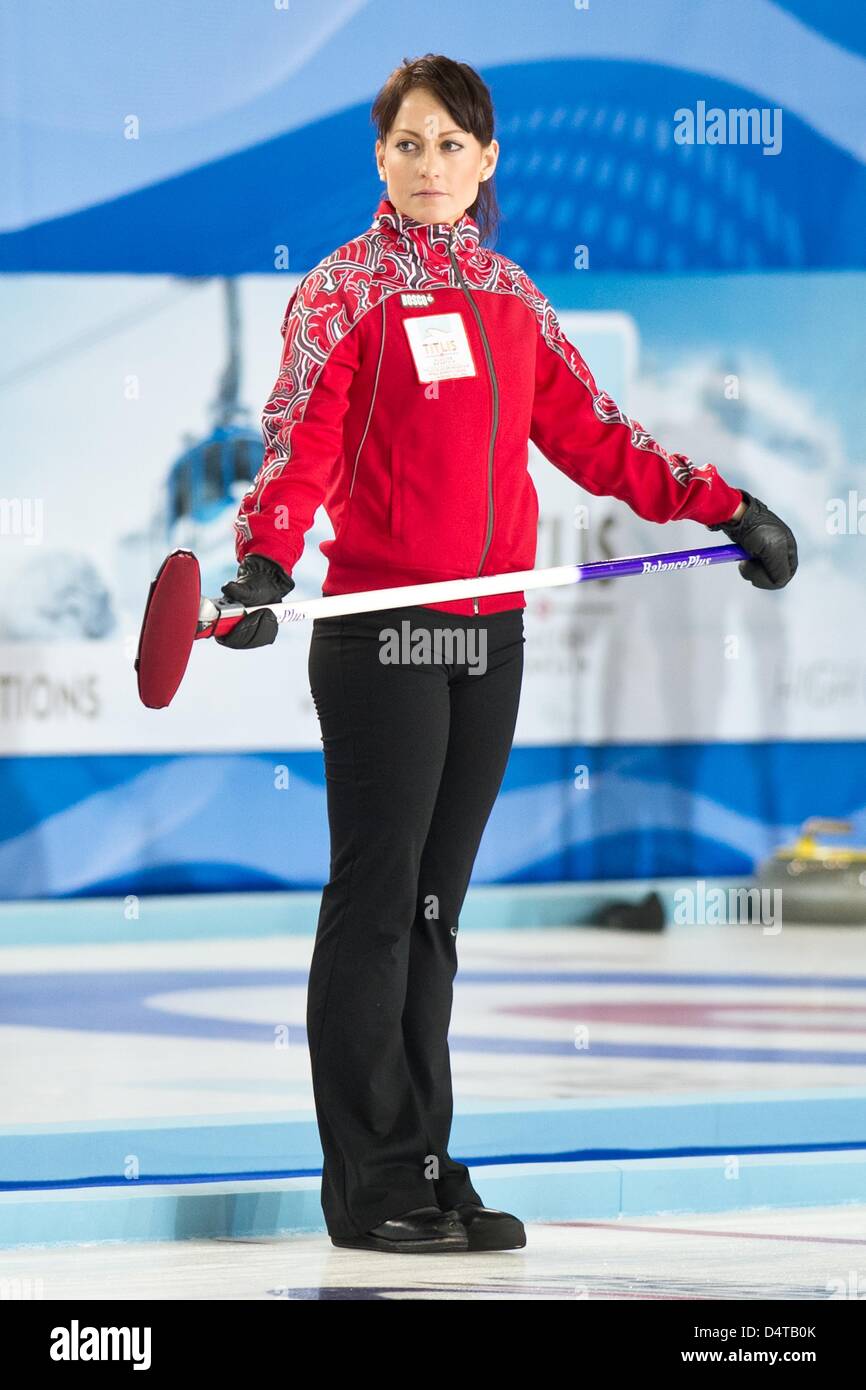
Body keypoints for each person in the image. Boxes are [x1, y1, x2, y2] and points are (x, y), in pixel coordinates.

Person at [217, 55, 798, 1254]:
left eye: (450, 145)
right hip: (385, 631)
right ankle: (367, 1183)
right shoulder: (341, 294)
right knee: (377, 909)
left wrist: (724, 505)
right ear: (379, 160)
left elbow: (592, 436)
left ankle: (425, 1164)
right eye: (407, 144)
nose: (428, 165)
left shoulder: (510, 296)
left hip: (488, 633)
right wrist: (267, 561)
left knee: (434, 914)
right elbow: (299, 443)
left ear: (486, 162)